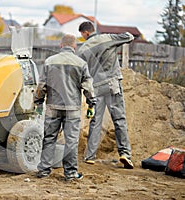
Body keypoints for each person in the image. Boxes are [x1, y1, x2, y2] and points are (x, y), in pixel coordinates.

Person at [34, 34, 96, 181]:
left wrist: (38, 103)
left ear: (60, 46)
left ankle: (43, 170)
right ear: (74, 47)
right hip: (72, 108)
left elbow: (41, 86)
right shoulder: (81, 64)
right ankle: (70, 173)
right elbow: (88, 87)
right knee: (71, 141)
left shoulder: (49, 62)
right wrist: (91, 103)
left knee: (49, 138)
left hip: (52, 107)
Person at [77, 21, 134, 169]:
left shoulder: (83, 49)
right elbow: (129, 36)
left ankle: (90, 156)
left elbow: (80, 71)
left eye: (82, 35)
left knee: (96, 122)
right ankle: (125, 153)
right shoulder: (107, 38)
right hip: (112, 84)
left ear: (85, 33)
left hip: (96, 88)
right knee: (119, 119)